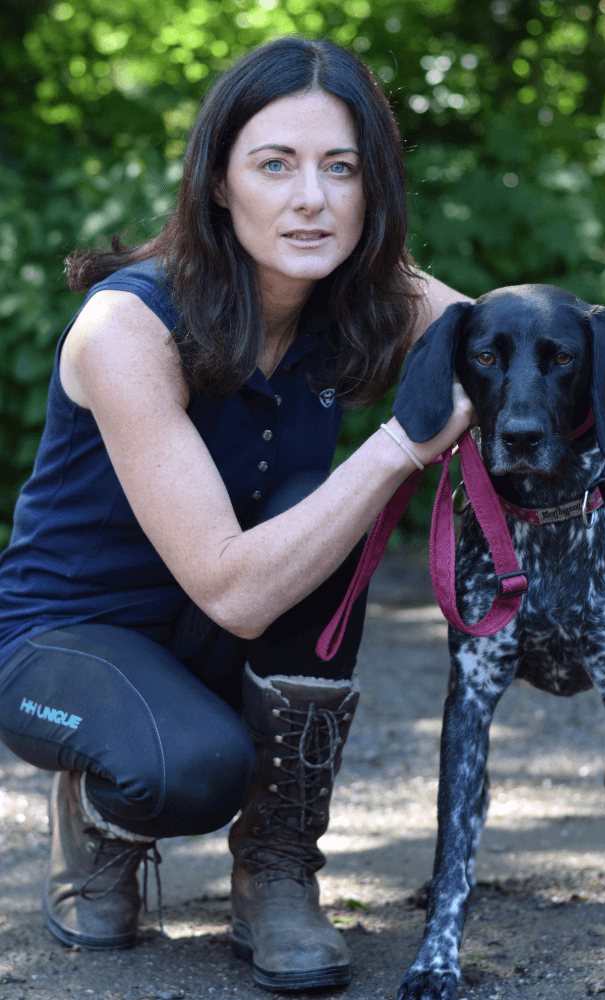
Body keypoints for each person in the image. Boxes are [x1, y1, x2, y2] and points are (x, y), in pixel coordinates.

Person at [0, 37, 474, 991]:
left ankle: (277, 870)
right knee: (192, 769)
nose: (312, 198)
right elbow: (234, 586)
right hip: (67, 641)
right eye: (275, 165)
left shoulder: (364, 297)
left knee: (317, 509)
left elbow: (506, 331)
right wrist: (399, 445)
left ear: (373, 189)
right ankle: (99, 816)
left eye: (341, 169)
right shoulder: (125, 327)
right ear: (219, 183)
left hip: (208, 626)